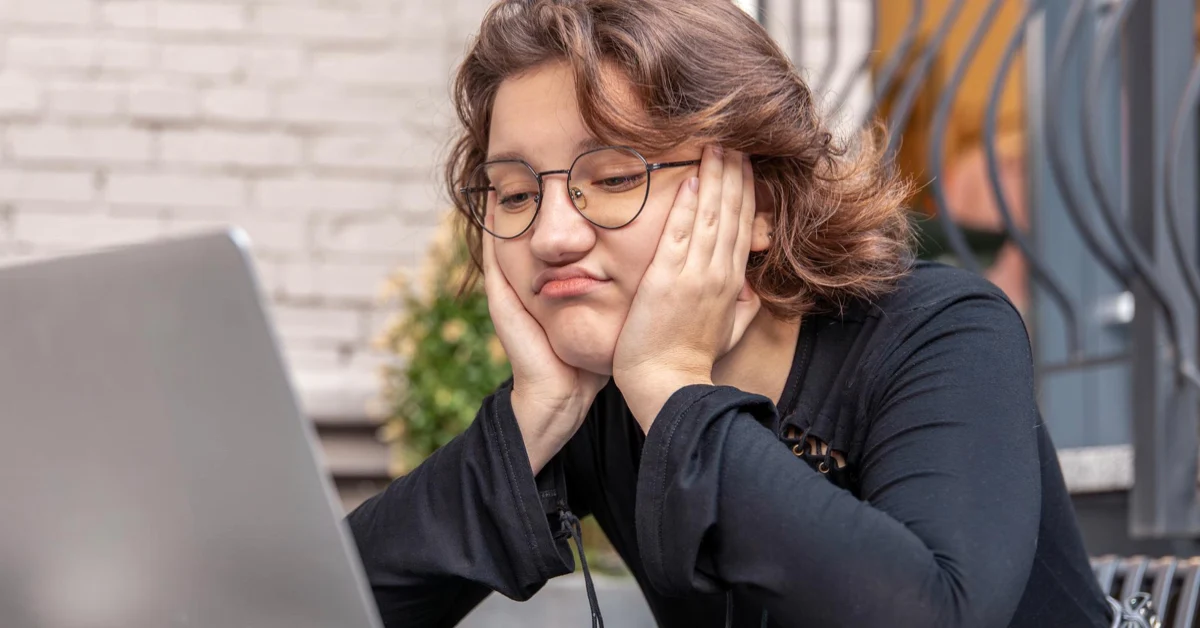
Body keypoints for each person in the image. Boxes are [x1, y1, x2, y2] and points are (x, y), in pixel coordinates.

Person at [346, 1, 1112, 626]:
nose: (550, 235)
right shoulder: (592, 401)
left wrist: (674, 385)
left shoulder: (941, 331)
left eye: (613, 177)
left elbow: (934, 615)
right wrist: (534, 418)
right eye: (514, 194)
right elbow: (328, 606)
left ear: (760, 204)